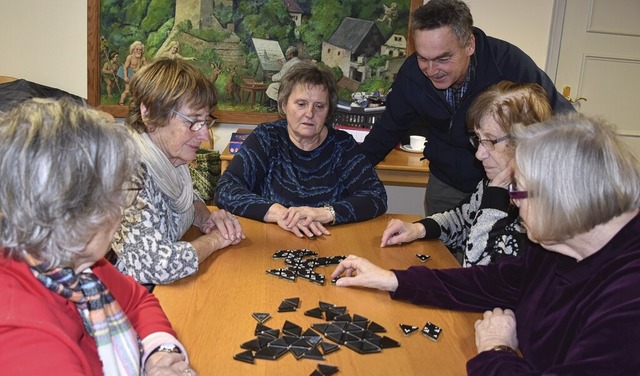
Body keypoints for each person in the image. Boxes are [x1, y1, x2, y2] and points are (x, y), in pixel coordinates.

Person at [332, 112, 640, 374]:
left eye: (517, 192)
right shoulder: (562, 243)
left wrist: (496, 350)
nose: (513, 204)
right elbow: (491, 282)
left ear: (561, 199)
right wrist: (392, 279)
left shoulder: (629, 303)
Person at [0, 97, 197, 375]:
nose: (125, 206)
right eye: (121, 192)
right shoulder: (26, 340)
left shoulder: (74, 262)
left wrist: (160, 351)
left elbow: (139, 300)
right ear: (77, 208)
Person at [360, 0, 574, 216]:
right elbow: (388, 129)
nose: (431, 70)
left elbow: (563, 119)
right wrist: (350, 175)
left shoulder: (510, 64)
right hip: (446, 182)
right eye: (423, 58)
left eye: (443, 58)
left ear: (469, 44)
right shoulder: (412, 74)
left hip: (503, 183)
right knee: (440, 243)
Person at [381, 81, 552, 266]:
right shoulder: (496, 182)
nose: (479, 154)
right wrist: (418, 229)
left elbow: (478, 270)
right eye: (479, 139)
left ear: (525, 142)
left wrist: (495, 195)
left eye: (491, 141)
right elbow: (463, 220)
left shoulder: (546, 208)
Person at [215, 61, 387, 238]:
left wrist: (325, 213)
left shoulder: (342, 146)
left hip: (329, 241)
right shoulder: (267, 138)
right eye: (301, 104)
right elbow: (226, 189)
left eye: (319, 106)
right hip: (270, 240)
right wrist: (280, 214)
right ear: (284, 105)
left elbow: (376, 196)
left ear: (329, 111)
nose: (310, 113)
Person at [111, 57, 245, 286]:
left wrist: (206, 218)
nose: (204, 136)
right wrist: (216, 239)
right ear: (150, 112)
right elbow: (157, 265)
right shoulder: (128, 172)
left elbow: (189, 197)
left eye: (206, 122)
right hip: (125, 299)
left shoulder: (173, 161)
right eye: (193, 122)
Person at [118, 40, 147, 106]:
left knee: (137, 90)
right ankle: (121, 102)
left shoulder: (143, 58)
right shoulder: (130, 57)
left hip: (137, 76)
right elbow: (125, 68)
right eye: (137, 49)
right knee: (127, 91)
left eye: (140, 50)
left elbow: (147, 66)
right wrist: (125, 77)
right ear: (133, 49)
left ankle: (135, 103)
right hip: (129, 75)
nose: (139, 51)